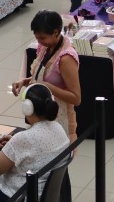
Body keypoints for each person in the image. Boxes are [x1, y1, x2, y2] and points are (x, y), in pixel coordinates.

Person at [0, 83, 70, 202]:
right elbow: (37, 148)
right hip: (43, 196)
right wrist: (13, 144)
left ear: (27, 108)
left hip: (17, 197)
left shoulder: (24, 138)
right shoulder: (59, 128)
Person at [12, 10, 81, 142]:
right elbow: (43, 76)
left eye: (42, 38)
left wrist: (47, 86)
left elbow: (76, 98)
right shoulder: (46, 46)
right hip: (40, 115)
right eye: (37, 38)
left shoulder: (66, 58)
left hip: (59, 119)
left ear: (56, 32)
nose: (39, 41)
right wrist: (25, 81)